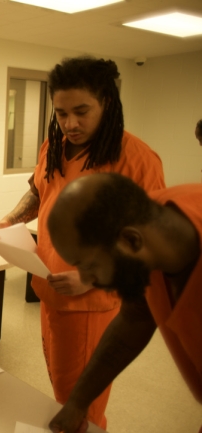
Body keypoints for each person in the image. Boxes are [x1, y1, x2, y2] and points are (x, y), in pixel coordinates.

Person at [0, 56, 165, 429]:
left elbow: (149, 239)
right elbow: (39, 190)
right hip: (51, 286)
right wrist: (11, 219)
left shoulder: (136, 159)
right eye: (61, 113)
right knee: (62, 386)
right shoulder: (56, 144)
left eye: (81, 112)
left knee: (79, 402)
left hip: (89, 302)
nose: (70, 124)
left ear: (107, 103)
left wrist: (91, 277)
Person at [46, 173, 202, 433]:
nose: (86, 279)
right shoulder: (147, 219)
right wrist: (78, 402)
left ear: (131, 241)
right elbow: (135, 318)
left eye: (89, 265)